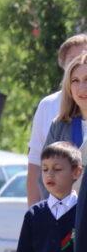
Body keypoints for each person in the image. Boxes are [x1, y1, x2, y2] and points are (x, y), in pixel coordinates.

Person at [27, 34, 87, 205]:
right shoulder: (59, 123)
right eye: (75, 80)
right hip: (66, 218)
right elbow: (41, 171)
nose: (82, 87)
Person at [43, 53, 87, 192]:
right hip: (68, 212)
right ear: (68, 86)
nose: (82, 88)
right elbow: (46, 177)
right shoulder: (59, 126)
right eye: (75, 80)